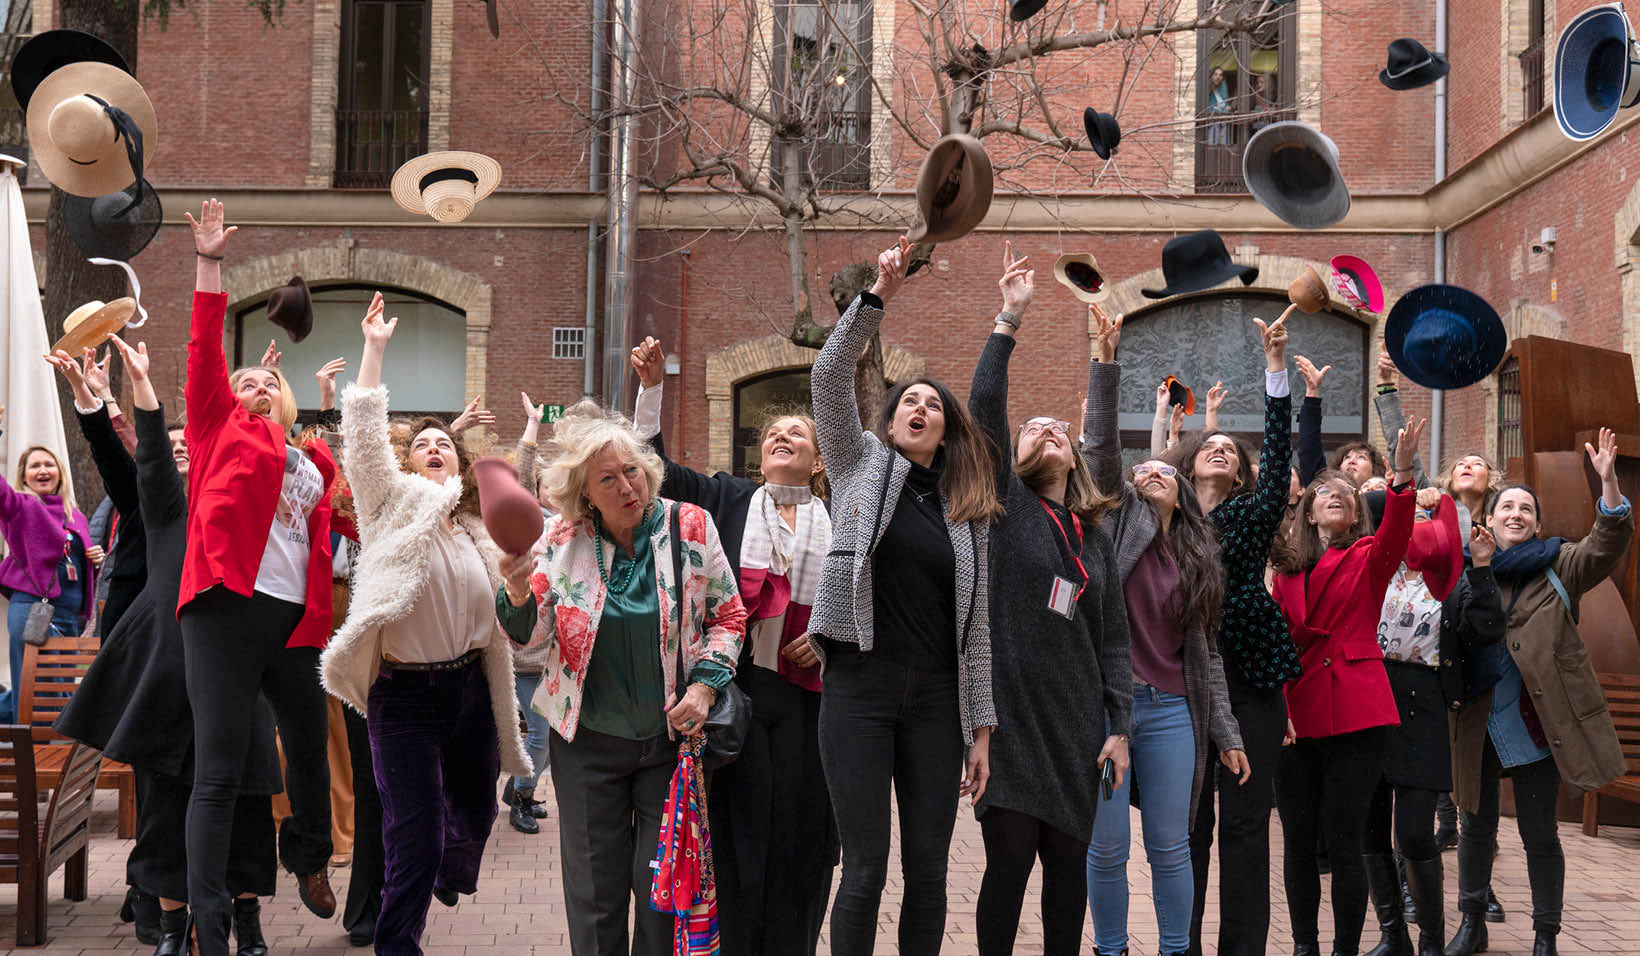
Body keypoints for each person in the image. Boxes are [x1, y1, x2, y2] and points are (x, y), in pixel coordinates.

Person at [318, 292, 537, 954]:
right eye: (425, 443)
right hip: (405, 697)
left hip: (470, 690)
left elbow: (517, 508)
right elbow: (361, 436)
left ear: (460, 464)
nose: (436, 447)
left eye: (446, 442)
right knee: (410, 833)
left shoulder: (475, 532)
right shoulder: (389, 507)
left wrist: (525, 443)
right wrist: (375, 349)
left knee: (474, 810)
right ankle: (397, 943)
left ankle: (449, 867)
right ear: (410, 462)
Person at [54, 332, 283, 956]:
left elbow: (267, 448)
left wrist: (263, 394)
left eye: (192, 445)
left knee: (246, 802)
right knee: (163, 806)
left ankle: (248, 920)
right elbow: (143, 453)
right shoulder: (159, 505)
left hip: (236, 668)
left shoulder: (246, 505)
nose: (182, 453)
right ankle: (174, 928)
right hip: (165, 673)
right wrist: (105, 397)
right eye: (176, 447)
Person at [808, 239, 1002, 956]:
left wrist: (980, 729)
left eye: (933, 404)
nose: (920, 407)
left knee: (927, 875)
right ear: (892, 420)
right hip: (859, 690)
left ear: (945, 429)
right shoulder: (857, 463)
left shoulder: (965, 511)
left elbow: (976, 628)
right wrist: (877, 296)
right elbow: (829, 378)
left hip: (936, 705)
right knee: (863, 871)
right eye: (909, 401)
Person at [629, 335, 837, 956]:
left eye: (797, 433)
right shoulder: (726, 500)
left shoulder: (844, 521)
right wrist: (651, 391)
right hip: (739, 698)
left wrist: (828, 636)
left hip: (812, 702)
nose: (782, 437)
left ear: (819, 459)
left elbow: (867, 600)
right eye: (774, 432)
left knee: (802, 835)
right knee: (738, 833)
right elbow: (654, 470)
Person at [179, 198, 338, 954]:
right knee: (216, 773)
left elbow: (334, 487)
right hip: (224, 606)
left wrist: (320, 410)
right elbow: (204, 351)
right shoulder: (216, 425)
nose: (254, 385)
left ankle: (307, 856)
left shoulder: (304, 457)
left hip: (292, 619)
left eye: (266, 382)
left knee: (308, 742)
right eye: (242, 382)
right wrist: (210, 263)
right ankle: (209, 927)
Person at [530, 399, 746, 956]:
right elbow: (528, 637)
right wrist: (511, 591)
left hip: (668, 747)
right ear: (584, 493)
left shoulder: (689, 524)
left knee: (661, 894)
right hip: (586, 746)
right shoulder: (561, 537)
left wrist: (704, 685)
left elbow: (729, 614)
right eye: (608, 478)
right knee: (595, 897)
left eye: (632, 471)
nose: (627, 486)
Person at [965, 246, 1131, 956]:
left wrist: (1118, 725)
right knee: (1008, 866)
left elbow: (1115, 641)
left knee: (1069, 874)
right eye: (1035, 430)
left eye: (1058, 428)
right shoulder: (1006, 506)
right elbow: (984, 408)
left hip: (1073, 730)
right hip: (1010, 722)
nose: (1050, 432)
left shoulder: (1092, 537)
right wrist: (1010, 316)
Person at [1084, 302, 1249, 956]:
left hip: (1176, 712)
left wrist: (1228, 734)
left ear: (1180, 489)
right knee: (1106, 845)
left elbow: (1205, 657)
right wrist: (1105, 363)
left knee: (1171, 845)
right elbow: (1099, 449)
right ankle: (1112, 948)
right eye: (1142, 468)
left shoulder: (1199, 557)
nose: (1149, 470)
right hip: (1110, 712)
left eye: (1162, 470)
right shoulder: (1117, 524)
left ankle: (1178, 949)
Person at [1445, 429, 1633, 956]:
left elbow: (1608, 542)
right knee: (1475, 828)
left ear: (1538, 523)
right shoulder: (1463, 569)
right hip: (1477, 719)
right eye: (1507, 506)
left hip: (1536, 721)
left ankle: (1545, 933)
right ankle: (1472, 923)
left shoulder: (1560, 565)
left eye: (1526, 509)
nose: (1516, 515)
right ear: (1491, 516)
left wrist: (1609, 482)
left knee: (1539, 834)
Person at [1161, 306, 1294, 956]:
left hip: (1250, 681)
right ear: (1187, 466)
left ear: (1240, 473)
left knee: (1245, 826)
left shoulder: (1250, 512)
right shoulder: (1165, 521)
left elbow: (1278, 472)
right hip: (1179, 682)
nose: (1221, 448)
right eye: (1209, 445)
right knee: (1189, 829)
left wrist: (1275, 370)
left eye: (1230, 452)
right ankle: (1180, 944)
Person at [1268, 410, 1423, 956]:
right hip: (1295, 712)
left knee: (1348, 838)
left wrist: (1401, 475)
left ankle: (1345, 950)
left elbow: (1397, 533)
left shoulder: (1368, 557)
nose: (1336, 496)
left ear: (1357, 513)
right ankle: (1306, 947)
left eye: (1346, 494)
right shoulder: (1283, 572)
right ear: (1307, 511)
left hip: (1357, 711)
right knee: (1298, 842)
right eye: (1325, 493)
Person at [1359, 487, 1504, 956]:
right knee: (1370, 824)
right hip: (1372, 694)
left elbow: (1484, 631)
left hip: (1424, 702)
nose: (1415, 531)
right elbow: (1375, 504)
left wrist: (1481, 568)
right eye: (1408, 522)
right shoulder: (1373, 568)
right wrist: (1400, 482)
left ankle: (1431, 941)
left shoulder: (1453, 579)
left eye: (1426, 523)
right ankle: (1392, 934)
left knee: (1416, 830)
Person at [0, 425, 96, 723]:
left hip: (69, 617)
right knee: (35, 695)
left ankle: (49, 754)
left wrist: (95, 558)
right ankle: (31, 760)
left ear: (59, 471)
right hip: (33, 610)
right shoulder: (22, 507)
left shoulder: (74, 515)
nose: (42, 470)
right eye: (35, 466)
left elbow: (74, 565)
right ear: (24, 475)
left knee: (60, 695)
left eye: (48, 464)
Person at [503, 391, 554, 835]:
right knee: (537, 736)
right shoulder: (527, 524)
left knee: (544, 738)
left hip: (550, 657)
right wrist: (533, 429)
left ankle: (524, 788)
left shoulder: (569, 530)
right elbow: (521, 478)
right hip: (519, 656)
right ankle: (519, 797)